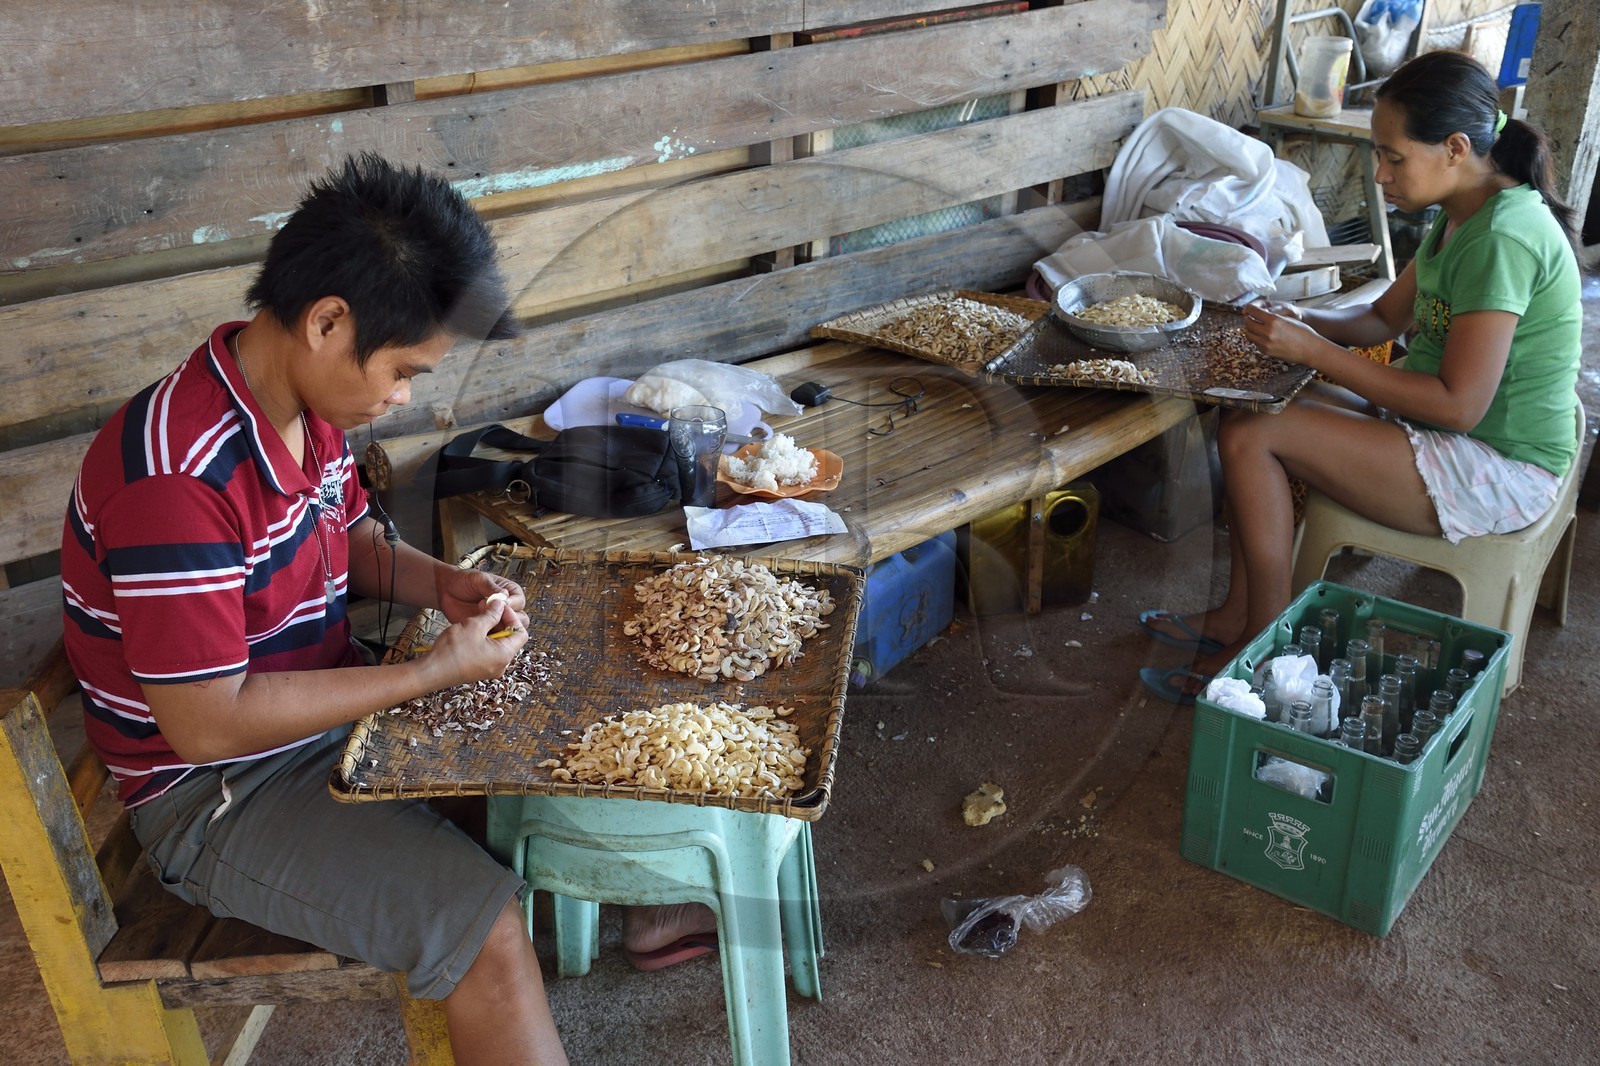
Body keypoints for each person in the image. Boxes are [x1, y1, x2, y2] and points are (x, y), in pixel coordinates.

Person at [60, 153, 569, 1064]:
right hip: (218, 795)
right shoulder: (178, 477)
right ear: (327, 322)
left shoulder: (304, 401)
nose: (404, 397)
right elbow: (208, 725)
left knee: (540, 758)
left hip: (306, 728)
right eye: (405, 370)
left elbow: (338, 544)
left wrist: (434, 582)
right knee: (489, 937)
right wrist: (427, 672)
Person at [1138, 50, 1583, 703]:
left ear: (1456, 147)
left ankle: (1260, 652)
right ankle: (1239, 614)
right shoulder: (1460, 211)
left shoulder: (1503, 239)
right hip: (1448, 432)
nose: (1380, 175)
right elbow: (1378, 318)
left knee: (1252, 436)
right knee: (1251, 406)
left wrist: (1315, 350)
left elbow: (1458, 405)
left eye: (1393, 157)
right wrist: (1301, 320)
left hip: (1498, 466)